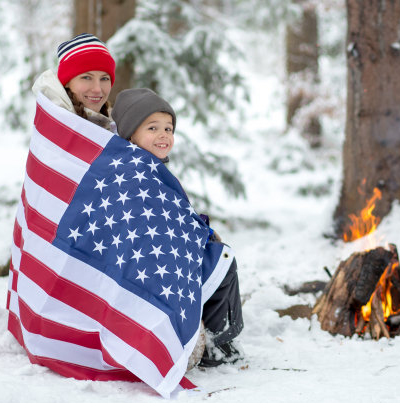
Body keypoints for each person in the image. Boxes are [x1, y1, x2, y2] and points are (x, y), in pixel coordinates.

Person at [112, 88, 245, 367]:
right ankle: (218, 345)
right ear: (130, 133)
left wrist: (201, 229)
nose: (164, 135)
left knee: (217, 255)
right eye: (152, 128)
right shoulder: (135, 170)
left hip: (161, 255)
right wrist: (201, 235)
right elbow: (150, 221)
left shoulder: (147, 166)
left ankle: (214, 337)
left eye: (168, 128)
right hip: (152, 264)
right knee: (222, 261)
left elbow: (171, 215)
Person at [32, 33, 115, 130]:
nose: (97, 89)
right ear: (67, 82)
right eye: (87, 78)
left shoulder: (115, 127)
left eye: (104, 78)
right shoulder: (57, 127)